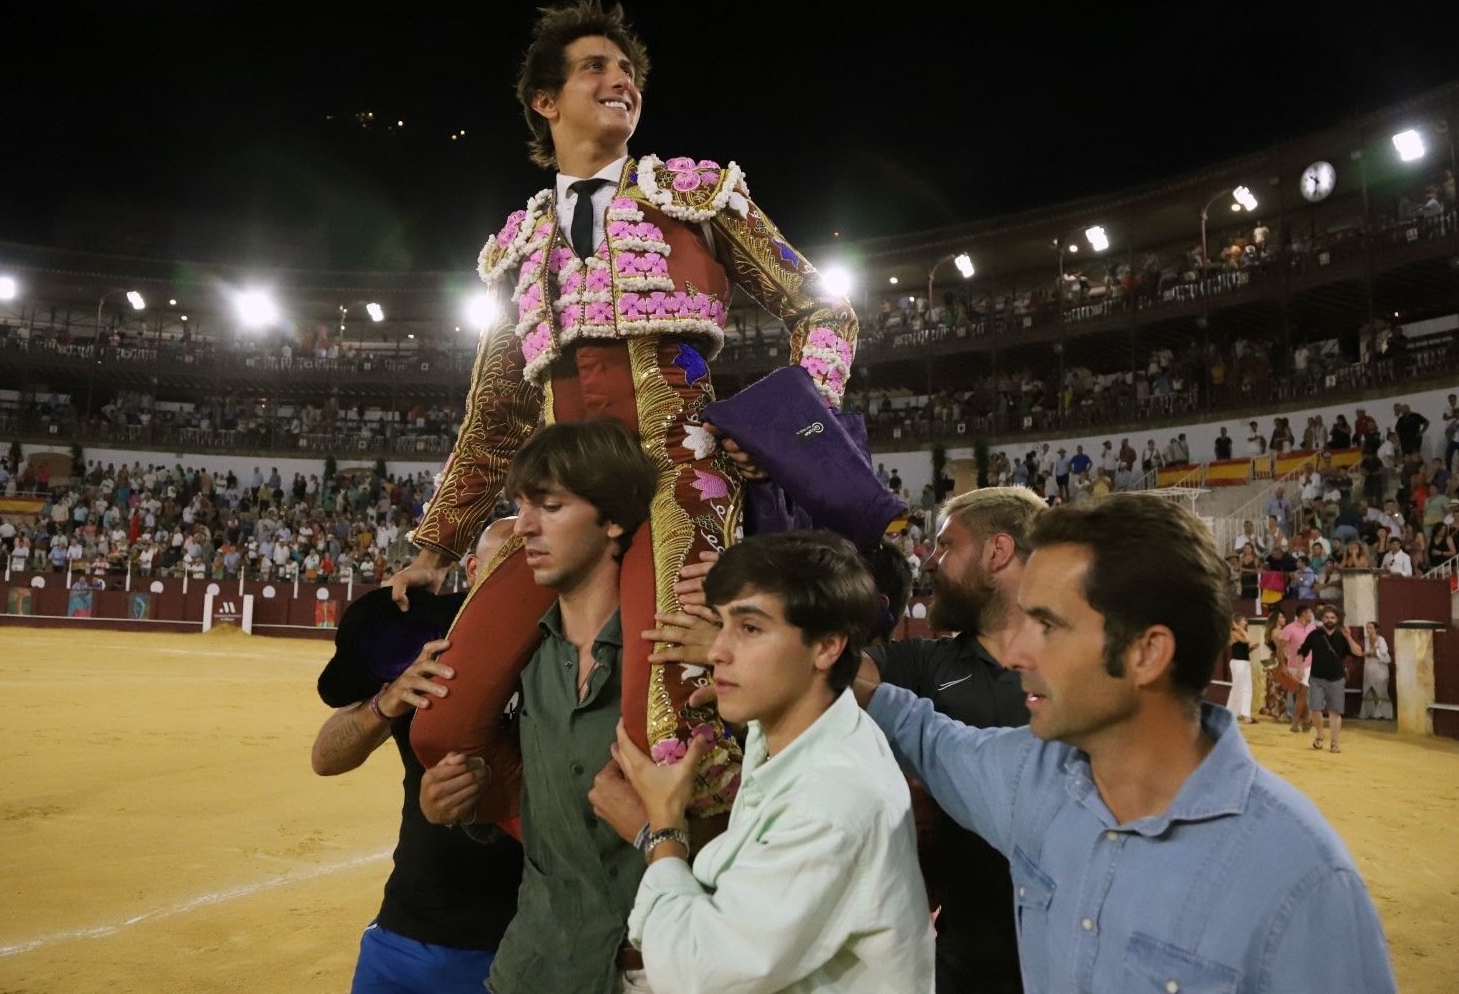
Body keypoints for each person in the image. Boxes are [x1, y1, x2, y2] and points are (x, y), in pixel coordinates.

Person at [387, 0, 859, 825]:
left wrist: (787, 430)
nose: (621, 81)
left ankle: (691, 896)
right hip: (563, 499)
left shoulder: (700, 197)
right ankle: (585, 845)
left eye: (628, 71)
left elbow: (823, 311)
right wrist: (434, 546)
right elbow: (499, 412)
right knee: (445, 726)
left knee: (673, 724)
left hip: (683, 475)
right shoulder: (515, 249)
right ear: (545, 101)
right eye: (595, 68)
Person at [854, 493, 1396, 991]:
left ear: (1146, 653)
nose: (1017, 654)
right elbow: (919, 729)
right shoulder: (1031, 775)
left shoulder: (1304, 883)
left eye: (1048, 625)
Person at [614, 531, 934, 993]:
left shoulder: (832, 801)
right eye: (721, 624)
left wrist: (662, 832)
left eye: (750, 628)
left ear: (827, 647)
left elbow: (698, 973)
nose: (718, 650)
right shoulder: (809, 732)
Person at [437, 418, 681, 991]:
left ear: (614, 520)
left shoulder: (681, 658)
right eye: (522, 505)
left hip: (653, 971)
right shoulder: (514, 668)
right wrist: (460, 798)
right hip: (533, 967)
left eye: (548, 506)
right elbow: (522, 800)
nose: (523, 527)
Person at [310, 518, 523, 993]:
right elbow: (326, 756)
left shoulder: (577, 649)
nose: (518, 577)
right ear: (471, 569)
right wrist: (384, 704)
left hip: (526, 943)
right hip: (409, 931)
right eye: (504, 561)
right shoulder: (428, 646)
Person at [856, 487, 1042, 993]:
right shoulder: (923, 662)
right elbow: (833, 674)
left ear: (997, 551)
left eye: (946, 546)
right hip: (962, 960)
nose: (931, 562)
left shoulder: (1080, 667)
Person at [1299, 604, 1364, 753]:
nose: (1329, 620)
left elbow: (1358, 653)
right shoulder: (1314, 635)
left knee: (1335, 712)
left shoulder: (1342, 636)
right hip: (1316, 678)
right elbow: (1302, 651)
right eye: (1327, 617)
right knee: (1315, 708)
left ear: (1337, 619)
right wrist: (1301, 667)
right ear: (1322, 619)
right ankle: (1320, 735)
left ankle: (1334, 743)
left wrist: (1349, 636)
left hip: (1336, 679)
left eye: (1332, 617)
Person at [1359, 620, 1394, 720]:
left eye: (1370, 628)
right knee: (1369, 690)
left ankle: (1384, 713)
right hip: (1369, 668)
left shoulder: (1381, 639)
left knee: (1381, 690)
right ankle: (1372, 712)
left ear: (1376, 629)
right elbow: (1362, 652)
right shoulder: (1365, 640)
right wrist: (1367, 653)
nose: (1368, 630)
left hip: (1380, 668)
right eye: (1367, 628)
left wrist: (1371, 653)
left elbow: (1383, 654)